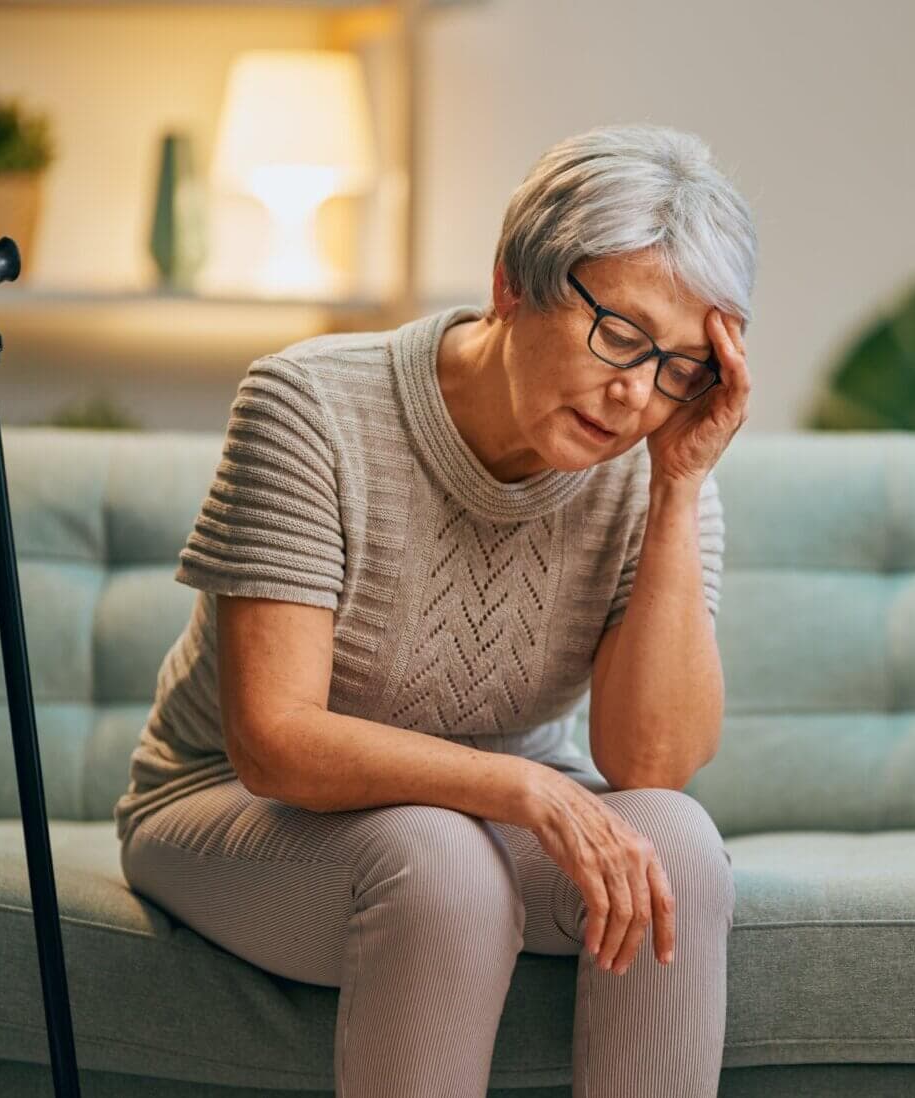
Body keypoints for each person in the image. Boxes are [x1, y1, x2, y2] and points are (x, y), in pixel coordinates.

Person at [114, 120, 756, 1098]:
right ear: (513, 282)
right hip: (236, 807)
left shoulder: (661, 464)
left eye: (677, 366)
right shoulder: (311, 405)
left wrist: (674, 491)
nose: (635, 393)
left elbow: (651, 764)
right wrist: (523, 791)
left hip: (486, 814)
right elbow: (273, 740)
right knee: (438, 859)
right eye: (619, 333)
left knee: (677, 847)